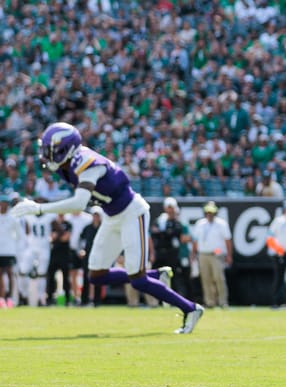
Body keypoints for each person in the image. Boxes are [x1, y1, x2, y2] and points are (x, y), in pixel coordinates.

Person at [11, 122, 204, 333]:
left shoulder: (87, 163)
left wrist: (39, 208)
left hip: (132, 212)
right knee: (96, 275)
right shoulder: (67, 165)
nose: (47, 155)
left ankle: (191, 308)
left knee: (138, 280)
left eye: (51, 150)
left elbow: (78, 203)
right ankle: (156, 276)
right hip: (111, 216)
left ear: (66, 149)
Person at [191, 201, 232, 308]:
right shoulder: (200, 224)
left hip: (216, 255)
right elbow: (195, 241)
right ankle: (210, 302)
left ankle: (223, 301)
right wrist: (193, 254)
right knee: (206, 279)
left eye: (211, 212)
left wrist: (229, 255)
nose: (209, 214)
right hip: (203, 254)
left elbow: (227, 240)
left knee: (219, 278)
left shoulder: (222, 224)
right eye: (208, 212)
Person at [151, 197, 191, 300]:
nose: (170, 210)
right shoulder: (160, 220)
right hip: (160, 252)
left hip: (173, 253)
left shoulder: (178, 222)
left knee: (175, 277)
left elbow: (179, 235)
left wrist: (163, 233)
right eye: (168, 208)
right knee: (157, 276)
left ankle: (177, 299)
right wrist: (166, 233)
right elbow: (154, 233)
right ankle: (158, 300)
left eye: (172, 208)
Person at [0, 196, 25, 307]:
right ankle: (1, 298)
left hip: (10, 251)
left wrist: (17, 249)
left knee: (10, 274)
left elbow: (20, 235)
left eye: (5, 203)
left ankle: (9, 298)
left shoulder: (13, 218)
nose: (3, 205)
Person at [65, 209, 92, 305]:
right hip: (71, 249)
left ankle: (89, 297)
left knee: (88, 275)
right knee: (72, 274)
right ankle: (76, 297)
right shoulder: (67, 217)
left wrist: (83, 249)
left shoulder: (88, 218)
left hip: (86, 250)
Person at [46, 213, 73, 305]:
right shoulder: (52, 224)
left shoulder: (68, 224)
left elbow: (65, 238)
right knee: (51, 277)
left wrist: (57, 235)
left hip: (64, 254)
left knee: (66, 278)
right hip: (54, 254)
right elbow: (51, 237)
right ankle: (50, 299)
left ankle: (68, 299)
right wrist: (59, 235)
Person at [78, 206, 102, 306]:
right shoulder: (87, 228)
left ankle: (97, 301)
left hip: (100, 256)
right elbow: (81, 240)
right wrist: (81, 250)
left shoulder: (104, 228)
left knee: (98, 278)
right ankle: (84, 300)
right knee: (86, 278)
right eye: (94, 215)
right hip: (88, 256)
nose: (95, 217)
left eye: (97, 215)